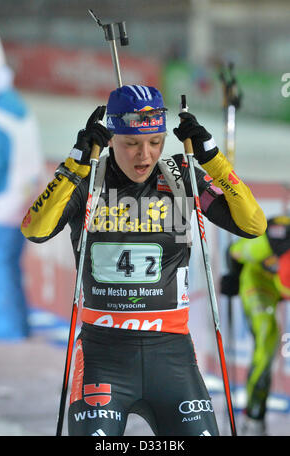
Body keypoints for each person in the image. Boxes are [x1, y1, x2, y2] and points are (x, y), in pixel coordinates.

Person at [21, 84, 266, 436]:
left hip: (172, 357)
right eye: (131, 144)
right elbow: (35, 229)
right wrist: (75, 164)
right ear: (111, 139)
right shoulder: (90, 179)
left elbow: (253, 224)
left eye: (155, 142)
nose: (145, 156)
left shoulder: (181, 176)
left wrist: (212, 159)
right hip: (102, 358)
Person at [0, 5, 44, 340]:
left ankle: (11, 331)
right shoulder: (13, 105)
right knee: (7, 267)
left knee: (0, 268)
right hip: (22, 197)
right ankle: (16, 326)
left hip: (5, 204)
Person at [221, 215, 290, 436]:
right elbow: (234, 251)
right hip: (258, 284)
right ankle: (253, 416)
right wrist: (233, 275)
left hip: (278, 285)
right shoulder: (269, 241)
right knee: (267, 335)